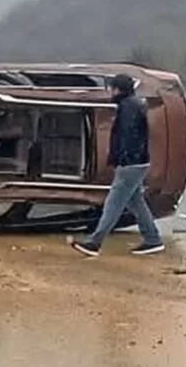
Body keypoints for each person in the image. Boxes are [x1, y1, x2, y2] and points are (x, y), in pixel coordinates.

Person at [70, 74, 164, 257]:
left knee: (113, 204)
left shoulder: (128, 107)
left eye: (112, 88)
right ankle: (153, 239)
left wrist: (121, 159)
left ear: (118, 89)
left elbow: (128, 136)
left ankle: (94, 243)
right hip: (138, 164)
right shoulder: (133, 104)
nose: (110, 91)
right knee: (136, 202)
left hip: (130, 165)